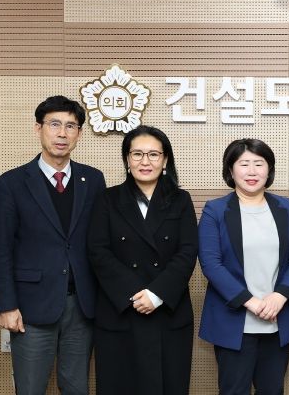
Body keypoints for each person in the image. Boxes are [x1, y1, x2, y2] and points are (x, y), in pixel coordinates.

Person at [0, 95, 106, 395]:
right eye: (54, 124)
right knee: (30, 388)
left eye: (70, 126)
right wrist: (6, 305)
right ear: (38, 128)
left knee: (76, 387)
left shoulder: (93, 179)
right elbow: (0, 248)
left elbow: (99, 243)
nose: (62, 133)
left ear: (79, 133)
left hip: (81, 305)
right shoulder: (12, 183)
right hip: (30, 305)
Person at [87, 125, 198, 395]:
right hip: (121, 310)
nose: (145, 161)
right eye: (137, 154)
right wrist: (136, 294)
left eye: (153, 154)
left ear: (165, 160)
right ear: (127, 159)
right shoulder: (107, 199)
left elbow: (187, 252)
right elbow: (98, 251)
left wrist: (156, 294)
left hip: (167, 312)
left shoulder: (181, 200)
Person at [198, 138, 289, 395]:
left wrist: (280, 296)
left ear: (269, 170)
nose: (252, 171)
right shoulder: (215, 210)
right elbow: (211, 264)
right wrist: (251, 302)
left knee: (273, 390)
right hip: (234, 321)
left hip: (277, 318)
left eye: (259, 164)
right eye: (243, 164)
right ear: (230, 169)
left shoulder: (287, 207)